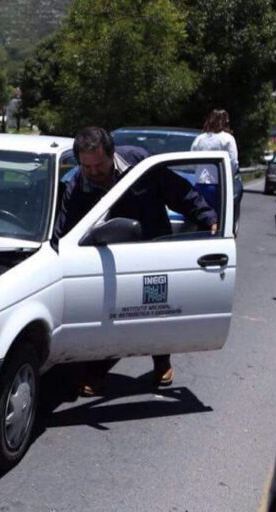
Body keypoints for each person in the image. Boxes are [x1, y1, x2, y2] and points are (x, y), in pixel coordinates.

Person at [53, 127, 219, 396]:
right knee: (106, 312)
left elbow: (179, 192)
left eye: (99, 165)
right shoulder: (78, 186)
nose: (94, 173)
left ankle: (161, 360)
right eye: (86, 167)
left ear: (112, 153)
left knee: (155, 308)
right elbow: (65, 228)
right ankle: (96, 372)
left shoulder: (139, 163)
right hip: (106, 258)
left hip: (149, 252)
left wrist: (210, 220)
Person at [190, 109, 243, 230]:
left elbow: (192, 161)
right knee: (220, 220)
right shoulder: (228, 139)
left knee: (202, 218)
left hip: (199, 184)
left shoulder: (200, 139)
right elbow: (233, 162)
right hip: (218, 185)